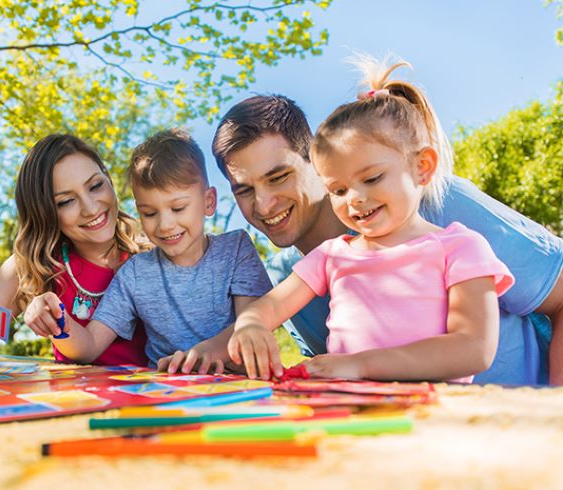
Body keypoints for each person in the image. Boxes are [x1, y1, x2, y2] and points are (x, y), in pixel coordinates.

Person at [213, 60, 563, 386]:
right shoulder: (316, 261)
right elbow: (282, 320)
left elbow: (473, 349)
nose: (356, 199)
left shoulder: (454, 228)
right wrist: (249, 326)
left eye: (278, 177)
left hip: (497, 422)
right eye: (340, 188)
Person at [25, 129, 272, 373]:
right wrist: (58, 321)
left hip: (242, 388)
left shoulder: (236, 250)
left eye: (178, 208)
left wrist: (203, 354)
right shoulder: (134, 272)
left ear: (209, 202)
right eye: (149, 213)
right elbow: (89, 346)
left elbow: (253, 321)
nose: (165, 225)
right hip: (167, 395)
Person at [0, 134, 150, 367]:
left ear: (108, 180)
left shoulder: (156, 255)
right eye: (65, 201)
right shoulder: (29, 269)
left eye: (96, 186)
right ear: (44, 213)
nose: (90, 208)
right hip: (75, 403)